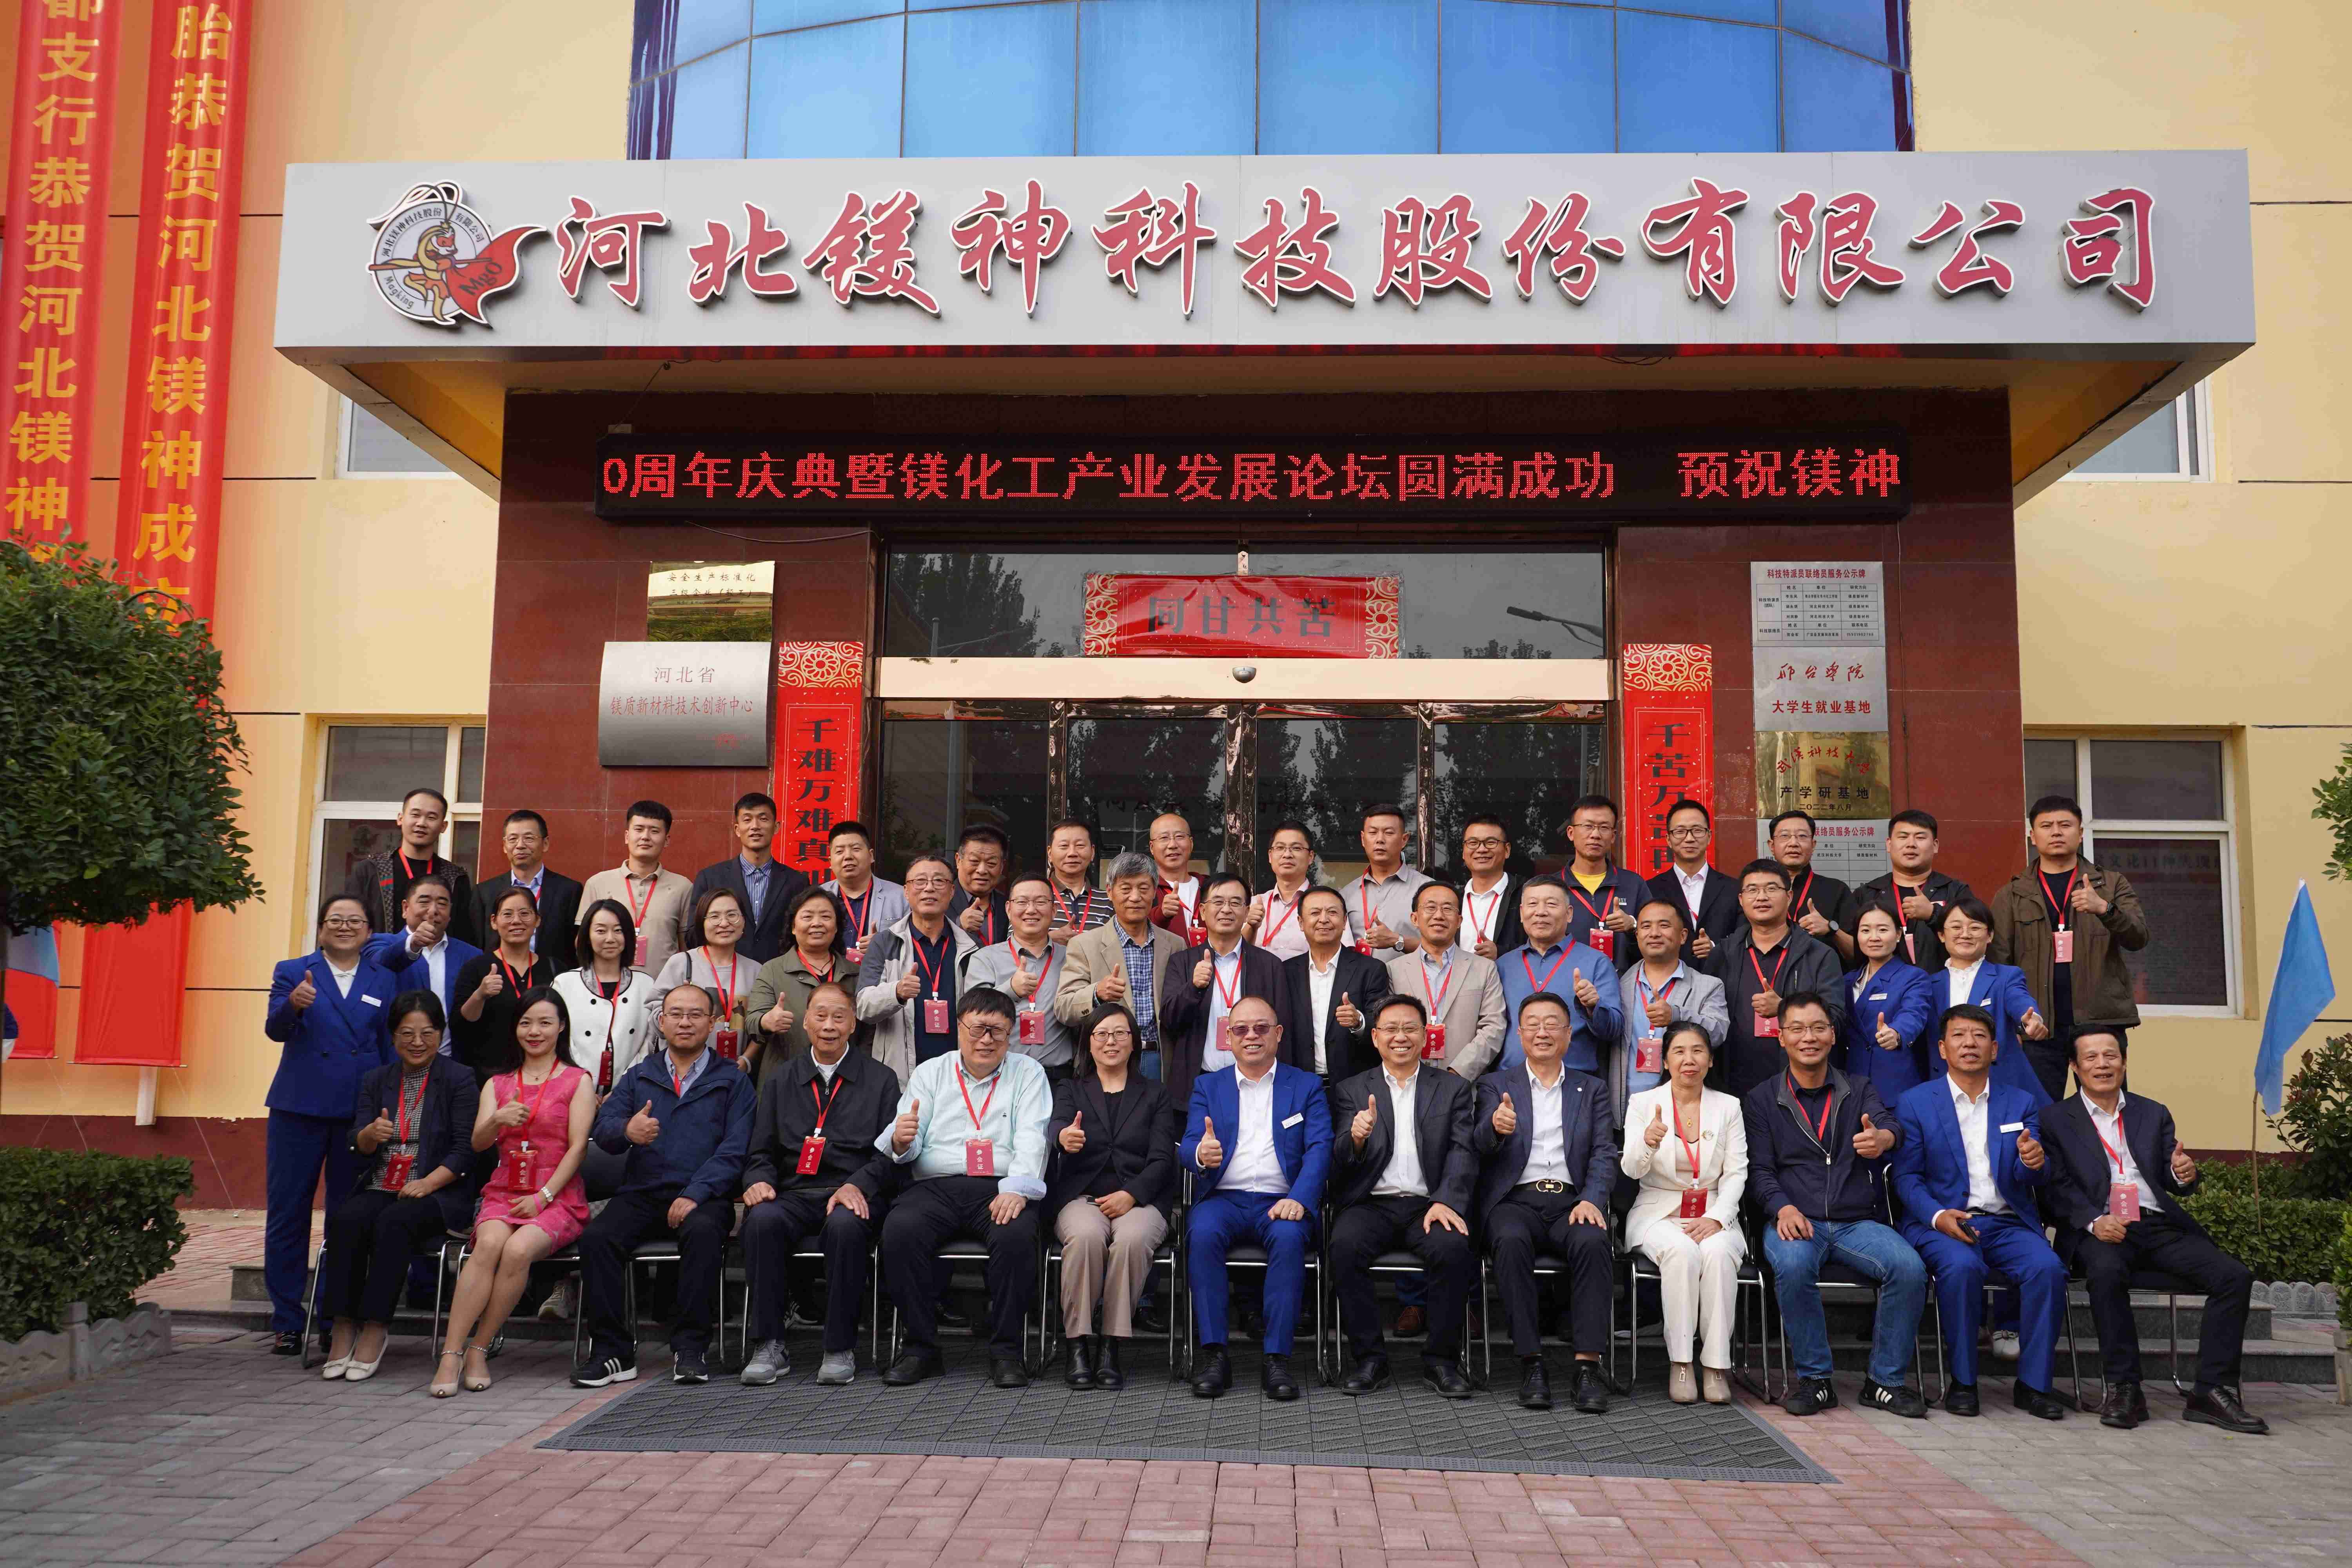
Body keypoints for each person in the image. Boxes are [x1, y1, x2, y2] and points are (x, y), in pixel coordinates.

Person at [2039, 1030, 2265, 1433]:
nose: (2102, 1064)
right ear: (2075, 1066)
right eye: (2091, 1057)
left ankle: (2211, 1391)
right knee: (2106, 1273)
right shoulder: (2055, 1120)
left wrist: (2183, 1174)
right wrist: (2093, 1221)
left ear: (2124, 1063)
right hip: (2101, 1227)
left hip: (2157, 1224)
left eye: (2111, 1056)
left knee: (2234, 1277)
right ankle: (2125, 1388)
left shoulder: (2152, 1112)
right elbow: (2055, 1187)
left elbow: (2171, 1173)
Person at [1744, 993, 1927, 1419]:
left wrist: (1884, 1138)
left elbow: (1890, 1125)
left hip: (1856, 1222)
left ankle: (1885, 1382)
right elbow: (1759, 1170)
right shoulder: (1762, 1098)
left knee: (1909, 1268)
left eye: (1818, 1028)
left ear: (1832, 1035)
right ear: (1782, 1037)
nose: (1808, 1037)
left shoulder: (1858, 1088)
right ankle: (1816, 1380)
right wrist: (1782, 1208)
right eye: (1797, 1029)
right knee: (1793, 1267)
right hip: (1794, 1219)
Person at [572, 983, 756, 1387]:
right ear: (662, 1021)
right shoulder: (641, 1075)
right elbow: (604, 1128)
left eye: (695, 1014)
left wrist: (696, 1193)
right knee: (598, 1239)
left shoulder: (732, 1080)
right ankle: (612, 1353)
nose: (685, 1022)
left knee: (704, 1233)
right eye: (676, 1014)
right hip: (643, 1193)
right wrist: (627, 1129)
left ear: (713, 1023)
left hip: (704, 1197)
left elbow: (736, 1150)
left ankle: (690, 1348)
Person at [1891, 1004, 2069, 1419]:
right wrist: (1938, 1216)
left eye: (1979, 1036)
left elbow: (2031, 1174)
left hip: (2007, 1223)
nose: (1969, 1043)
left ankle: (2034, 1386)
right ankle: (1963, 1382)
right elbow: (1906, 1178)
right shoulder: (1915, 1102)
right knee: (1962, 1268)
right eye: (1959, 1035)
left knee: (2048, 1269)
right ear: (1942, 1048)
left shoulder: (2020, 1102)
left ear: (1995, 1049)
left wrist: (2033, 1161)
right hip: (1942, 1222)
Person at [879, 987, 1053, 1388]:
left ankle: (1007, 1351)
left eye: (998, 1031)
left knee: (1016, 1235)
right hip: (936, 1186)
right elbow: (906, 1140)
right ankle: (920, 1348)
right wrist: (902, 1141)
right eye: (977, 1029)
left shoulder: (1028, 1073)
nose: (986, 1040)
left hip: (999, 1187)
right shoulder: (931, 1072)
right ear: (959, 1029)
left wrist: (1016, 1189)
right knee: (900, 1230)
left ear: (1011, 1034)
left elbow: (1033, 1138)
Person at [433, 987, 594, 1397]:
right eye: (526, 1023)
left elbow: (578, 1148)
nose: (534, 1031)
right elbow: (478, 1144)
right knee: (489, 1244)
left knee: (519, 1249)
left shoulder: (578, 1080)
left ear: (561, 1027)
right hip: (504, 1190)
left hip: (557, 1196)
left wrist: (544, 1197)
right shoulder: (498, 1083)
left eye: (544, 1023)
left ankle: (479, 1348)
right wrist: (497, 1120)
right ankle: (451, 1353)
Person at [738, 980, 900, 1387]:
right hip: (793, 1192)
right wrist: (758, 1181)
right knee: (761, 1221)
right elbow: (760, 1151)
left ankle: (839, 1346)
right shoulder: (781, 1080)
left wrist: (859, 1185)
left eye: (839, 1017)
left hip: (853, 1192)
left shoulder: (881, 1079)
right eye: (821, 1016)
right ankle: (769, 1344)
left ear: (853, 1024)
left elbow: (889, 1155)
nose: (829, 1025)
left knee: (846, 1226)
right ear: (806, 1022)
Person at [318, 991, 479, 1381]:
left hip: (438, 1192)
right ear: (393, 1036)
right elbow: (357, 1142)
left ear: (440, 1033)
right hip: (382, 1184)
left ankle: (376, 1327)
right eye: (407, 1033)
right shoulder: (376, 1080)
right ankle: (343, 1326)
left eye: (427, 1033)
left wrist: (428, 1182)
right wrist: (370, 1134)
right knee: (346, 1219)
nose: (417, 1042)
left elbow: (466, 1150)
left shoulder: (459, 1078)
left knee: (395, 1221)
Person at [262, 896, 397, 1355]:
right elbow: (275, 1030)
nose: (345, 927)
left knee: (346, 1218)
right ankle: (286, 1320)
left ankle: (332, 1317)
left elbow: (389, 1048)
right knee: (288, 1215)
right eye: (335, 920)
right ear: (321, 928)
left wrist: (388, 1106)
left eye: (355, 921)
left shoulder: (384, 977)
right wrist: (293, 1006)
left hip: (357, 1116)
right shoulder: (293, 971)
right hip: (298, 1108)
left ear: (369, 931)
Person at [1181, 995, 1332, 1402]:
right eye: (1241, 1029)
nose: (1252, 1036)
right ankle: (1214, 1354)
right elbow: (1190, 1143)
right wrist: (1201, 1154)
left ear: (1278, 1034)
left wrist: (1300, 1197)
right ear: (1228, 1037)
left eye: (1262, 1028)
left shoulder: (1306, 1086)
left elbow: (1320, 1147)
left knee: (1289, 1239)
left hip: (1282, 1200)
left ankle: (1277, 1358)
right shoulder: (1208, 1085)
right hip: (1223, 1199)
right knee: (1202, 1235)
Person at [1327, 995, 1478, 1397]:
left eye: (1410, 1028)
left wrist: (1447, 1200)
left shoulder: (1452, 1088)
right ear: (1375, 1037)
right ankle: (1370, 1360)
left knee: (1454, 1249)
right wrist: (1356, 1139)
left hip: (1429, 1204)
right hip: (1371, 1203)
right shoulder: (1352, 1090)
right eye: (1391, 1029)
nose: (1401, 1037)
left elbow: (1463, 1151)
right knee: (1344, 1246)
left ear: (1425, 1036)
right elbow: (1339, 1159)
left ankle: (1441, 1361)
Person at [1474, 993, 1618, 1413]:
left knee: (1594, 1241)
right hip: (1515, 1200)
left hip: (1573, 1201)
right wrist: (1495, 1127)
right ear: (1519, 1034)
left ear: (1569, 1034)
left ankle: (1588, 1366)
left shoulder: (1591, 1088)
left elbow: (1604, 1152)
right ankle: (1531, 1362)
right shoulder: (1496, 1085)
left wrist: (1592, 1199)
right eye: (1533, 1023)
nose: (1543, 1032)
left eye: (1552, 1023)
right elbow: (1478, 1142)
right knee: (1509, 1240)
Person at [1049, 1002, 1179, 1390]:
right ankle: (1077, 1344)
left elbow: (1163, 1159)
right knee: (1086, 1236)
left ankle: (1111, 1345)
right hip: (1082, 1196)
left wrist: (1132, 1194)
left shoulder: (1155, 1093)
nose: (1111, 1041)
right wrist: (1063, 1137)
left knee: (1132, 1240)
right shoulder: (1071, 1089)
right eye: (1102, 1034)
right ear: (1089, 1043)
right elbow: (1057, 1125)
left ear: (1134, 1042)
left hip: (1141, 1198)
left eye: (1121, 1033)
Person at [1622, 1022, 1749, 1404]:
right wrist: (1647, 1142)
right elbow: (1631, 1170)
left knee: (1719, 1253)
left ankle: (1715, 1366)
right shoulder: (1643, 1103)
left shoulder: (1728, 1107)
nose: (1688, 1059)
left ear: (1710, 1060)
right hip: (1658, 1213)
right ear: (1665, 1061)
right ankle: (1681, 1362)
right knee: (1681, 1251)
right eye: (1679, 1051)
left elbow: (1736, 1172)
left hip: (1713, 1210)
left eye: (1698, 1051)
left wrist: (1718, 1218)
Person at [1991, 796, 2151, 1101]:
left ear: (2080, 833)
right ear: (2033, 836)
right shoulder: (2012, 894)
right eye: (2046, 826)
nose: (2056, 832)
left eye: (2065, 825)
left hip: (2100, 1023)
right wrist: (2011, 1026)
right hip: (2037, 1026)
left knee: (2105, 1108)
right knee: (2036, 1113)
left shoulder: (2110, 884)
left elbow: (2138, 938)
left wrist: (2105, 909)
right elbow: (1999, 964)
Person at [1705, 860, 1845, 1096]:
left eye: (1772, 889)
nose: (1762, 897)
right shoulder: (1723, 955)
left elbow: (1836, 1020)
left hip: (1800, 1086)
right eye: (1752, 890)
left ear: (1789, 897)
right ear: (1741, 900)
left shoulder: (1820, 955)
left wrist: (1784, 1009)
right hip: (1732, 1086)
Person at [1161, 871, 1287, 1108]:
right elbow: (1170, 1022)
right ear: (1202, 911)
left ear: (1247, 912)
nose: (1226, 910)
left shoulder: (1270, 966)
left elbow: (1283, 1031)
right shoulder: (1182, 962)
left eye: (1236, 903)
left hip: (1258, 1085)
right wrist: (1194, 989)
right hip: (1199, 1083)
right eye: (1218, 902)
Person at [1056, 852, 1186, 1079]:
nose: (1135, 897)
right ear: (1110, 892)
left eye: (1144, 889)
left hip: (1161, 1061)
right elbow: (1064, 1008)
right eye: (1126, 889)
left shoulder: (1175, 944)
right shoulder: (1084, 944)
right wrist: (1097, 993)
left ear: (1155, 892)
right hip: (1106, 1062)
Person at [856, 856, 980, 1081]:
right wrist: (897, 992)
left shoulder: (970, 947)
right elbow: (864, 1007)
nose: (929, 888)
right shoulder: (885, 942)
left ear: (952, 891)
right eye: (920, 881)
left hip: (959, 1073)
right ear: (906, 891)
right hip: (901, 1075)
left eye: (939, 881)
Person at [1613, 900, 1730, 1112]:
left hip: (1684, 1109)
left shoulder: (1709, 986)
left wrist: (1677, 1015)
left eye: (1664, 926)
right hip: (1625, 1107)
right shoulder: (1619, 985)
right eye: (1646, 926)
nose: (1654, 933)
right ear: (1637, 935)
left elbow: (1718, 1033)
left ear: (1683, 936)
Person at [1495, 875, 1620, 1073]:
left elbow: (1614, 1031)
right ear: (1521, 913)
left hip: (1574, 1081)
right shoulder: (1503, 965)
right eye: (1533, 904)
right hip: (1511, 1081)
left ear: (1569, 914)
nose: (1541, 912)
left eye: (1551, 904)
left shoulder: (1597, 962)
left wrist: (1594, 1007)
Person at [1934, 899, 2052, 1105]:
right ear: (1942, 935)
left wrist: (2032, 1019)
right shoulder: (1928, 984)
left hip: (2001, 1087)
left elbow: (2019, 1000)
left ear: (1990, 936)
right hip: (1945, 1089)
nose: (1965, 934)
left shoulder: (2006, 977)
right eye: (1956, 927)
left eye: (1975, 928)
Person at [1388, 884, 1506, 1080]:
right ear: (1415, 919)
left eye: (1448, 908)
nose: (1439, 916)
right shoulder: (1394, 970)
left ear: (1459, 921)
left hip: (1464, 1084)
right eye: (1430, 907)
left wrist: (1458, 1073)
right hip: (1409, 1081)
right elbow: (1390, 1029)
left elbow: (1494, 1028)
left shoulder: (1484, 969)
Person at [963, 874, 1075, 1079]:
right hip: (1000, 1075)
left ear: (1054, 910)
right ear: (1008, 909)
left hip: (1058, 1078)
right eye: (1022, 902)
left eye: (1040, 902)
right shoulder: (985, 958)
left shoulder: (1071, 958)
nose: (1031, 910)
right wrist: (1011, 990)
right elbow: (971, 1016)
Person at [1277, 885, 1389, 1080]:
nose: (1324, 919)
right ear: (1301, 923)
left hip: (1354, 1084)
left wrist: (1359, 1022)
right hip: (1299, 1084)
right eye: (1315, 913)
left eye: (1332, 912)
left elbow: (1383, 1027)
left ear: (1345, 921)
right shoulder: (1285, 972)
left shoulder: (1371, 970)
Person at [687, 792, 810, 964]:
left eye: (763, 819)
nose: (755, 826)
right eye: (747, 820)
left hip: (779, 972)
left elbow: (802, 934)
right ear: (737, 830)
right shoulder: (710, 878)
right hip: (724, 971)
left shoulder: (797, 882)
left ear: (776, 827)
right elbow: (694, 933)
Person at [745, 884, 852, 1084]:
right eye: (808, 917)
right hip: (786, 1079)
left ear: (837, 927)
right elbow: (752, 1022)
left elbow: (867, 1031)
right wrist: (766, 1022)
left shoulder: (854, 973)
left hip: (844, 1079)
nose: (817, 923)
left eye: (826, 917)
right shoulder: (773, 970)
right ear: (793, 927)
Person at [347, 787, 478, 945]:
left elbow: (464, 936)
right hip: (380, 958)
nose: (421, 823)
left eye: (431, 818)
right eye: (415, 815)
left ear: (443, 826)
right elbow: (351, 923)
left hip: (437, 958)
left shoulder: (456, 878)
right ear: (401, 819)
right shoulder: (370, 870)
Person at [449, 887, 556, 1080]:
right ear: (494, 922)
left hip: (544, 1076)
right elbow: (459, 1026)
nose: (516, 921)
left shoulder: (554, 969)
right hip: (490, 1076)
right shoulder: (476, 967)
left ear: (537, 920)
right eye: (507, 914)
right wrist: (480, 995)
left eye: (525, 913)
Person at [551, 899, 657, 1093]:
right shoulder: (565, 984)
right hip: (572, 1091)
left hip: (629, 1093)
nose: (610, 939)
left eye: (618, 930)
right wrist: (584, 1089)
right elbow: (558, 1041)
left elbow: (648, 1045)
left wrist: (623, 1092)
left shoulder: (646, 985)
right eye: (601, 931)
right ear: (587, 936)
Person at [580, 800, 695, 977]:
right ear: (627, 836)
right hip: (609, 985)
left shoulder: (683, 887)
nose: (646, 837)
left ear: (667, 840)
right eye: (639, 829)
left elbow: (686, 947)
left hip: (664, 987)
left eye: (654, 831)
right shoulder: (597, 883)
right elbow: (582, 942)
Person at [1850, 809, 1975, 973]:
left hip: (1944, 984)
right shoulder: (1867, 894)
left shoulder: (1956, 891)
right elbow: (1854, 952)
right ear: (1889, 845)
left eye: (1920, 838)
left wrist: (1933, 914)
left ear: (1935, 846)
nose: (1911, 844)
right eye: (1903, 837)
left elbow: (1974, 937)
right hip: (1885, 986)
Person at [652, 888, 758, 1069]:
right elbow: (656, 1020)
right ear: (702, 923)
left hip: (735, 1072)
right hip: (684, 1069)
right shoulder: (681, 963)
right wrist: (678, 1007)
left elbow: (760, 1028)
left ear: (743, 922)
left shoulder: (756, 970)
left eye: (732, 915)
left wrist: (746, 1061)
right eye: (715, 917)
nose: (724, 923)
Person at [1840, 906, 1936, 1103]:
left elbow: (1914, 1014)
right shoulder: (1847, 981)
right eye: (1865, 930)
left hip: (1894, 1086)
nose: (1874, 937)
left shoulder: (1914, 977)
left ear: (1899, 934)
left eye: (1883, 930)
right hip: (1851, 1086)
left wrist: (1897, 1033)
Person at [362, 874, 482, 1030]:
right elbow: (377, 963)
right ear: (406, 909)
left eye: (442, 904)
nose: (433, 911)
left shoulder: (472, 956)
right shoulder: (382, 944)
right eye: (424, 902)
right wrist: (413, 944)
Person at [472, 809, 582, 964]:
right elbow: (476, 946)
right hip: (498, 976)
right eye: (513, 839)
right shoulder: (484, 893)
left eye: (529, 838)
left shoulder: (569, 891)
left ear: (545, 844)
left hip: (552, 976)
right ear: (504, 846)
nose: (520, 845)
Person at [1560, 795, 1651, 973]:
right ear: (1571, 833)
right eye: (1587, 826)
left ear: (1614, 836)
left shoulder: (1634, 884)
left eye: (1604, 828)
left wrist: (1632, 927)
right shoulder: (1553, 887)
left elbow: (1656, 940)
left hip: (1623, 984)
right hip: (1567, 983)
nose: (1595, 835)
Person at [1644, 799, 1739, 963]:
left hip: (1721, 975)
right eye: (1680, 831)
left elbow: (1745, 934)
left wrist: (1716, 948)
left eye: (1697, 830)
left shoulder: (1733, 888)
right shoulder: (1650, 889)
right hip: (1669, 976)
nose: (1689, 838)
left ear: (1709, 836)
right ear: (1668, 840)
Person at [1767, 811, 1859, 964]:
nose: (1793, 843)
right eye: (1785, 836)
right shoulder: (1758, 893)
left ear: (1813, 845)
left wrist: (1831, 929)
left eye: (1802, 836)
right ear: (1772, 846)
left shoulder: (1836, 890)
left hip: (1823, 978)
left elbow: (1860, 954)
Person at [1343, 804, 1432, 956]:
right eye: (1373, 833)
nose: (1380, 840)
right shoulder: (1347, 894)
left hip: (1409, 973)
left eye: (1389, 833)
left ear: (1404, 840)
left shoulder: (1428, 890)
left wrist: (1398, 941)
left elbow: (1443, 949)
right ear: (1363, 839)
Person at [821, 819, 906, 968]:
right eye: (840, 852)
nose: (848, 856)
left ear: (871, 856)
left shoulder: (901, 897)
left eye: (856, 849)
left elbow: (915, 944)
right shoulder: (818, 897)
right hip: (829, 977)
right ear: (830, 861)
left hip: (881, 978)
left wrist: (884, 945)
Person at [1455, 813, 1526, 959]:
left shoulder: (1526, 895)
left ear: (1507, 850)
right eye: (1473, 843)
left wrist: (1501, 954)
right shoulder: (1453, 899)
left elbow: (1542, 946)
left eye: (1491, 842)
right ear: (1463, 851)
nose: (1482, 849)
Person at [1246, 818, 1318, 961]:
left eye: (1296, 848)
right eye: (1280, 848)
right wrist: (1251, 927)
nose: (1287, 855)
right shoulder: (1253, 904)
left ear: (1311, 857)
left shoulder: (1326, 906)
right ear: (1270, 856)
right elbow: (1233, 955)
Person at [1043, 818, 1112, 942]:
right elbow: (1013, 946)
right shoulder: (1033, 897)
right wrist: (1049, 940)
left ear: (1093, 852)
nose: (1072, 853)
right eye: (1064, 846)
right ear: (1050, 853)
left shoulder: (1109, 900)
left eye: (1080, 846)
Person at [948, 824, 1011, 946]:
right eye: (974, 861)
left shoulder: (1008, 906)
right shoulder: (939, 900)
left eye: (991, 863)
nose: (982, 870)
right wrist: (958, 926)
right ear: (958, 860)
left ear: (1002, 866)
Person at [1146, 811, 1205, 940]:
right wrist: (1161, 915)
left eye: (1179, 837)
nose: (1173, 845)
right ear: (1152, 847)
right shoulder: (1144, 889)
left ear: (1191, 843)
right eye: (1164, 838)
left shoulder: (1209, 887)